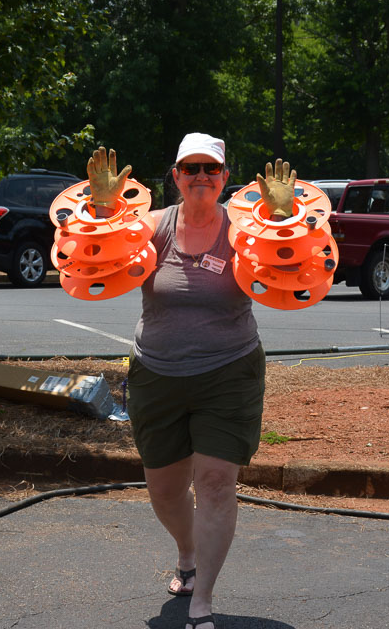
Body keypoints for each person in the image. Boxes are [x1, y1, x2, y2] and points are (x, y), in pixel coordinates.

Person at [85, 133, 296, 629]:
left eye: (211, 169)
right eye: (191, 168)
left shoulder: (246, 228)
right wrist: (102, 210)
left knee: (217, 482)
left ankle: (202, 600)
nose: (201, 176)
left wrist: (283, 218)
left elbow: (289, 266)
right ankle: (187, 552)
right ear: (176, 176)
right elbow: (97, 257)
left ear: (225, 177)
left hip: (229, 372)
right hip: (157, 373)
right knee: (164, 488)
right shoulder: (151, 225)